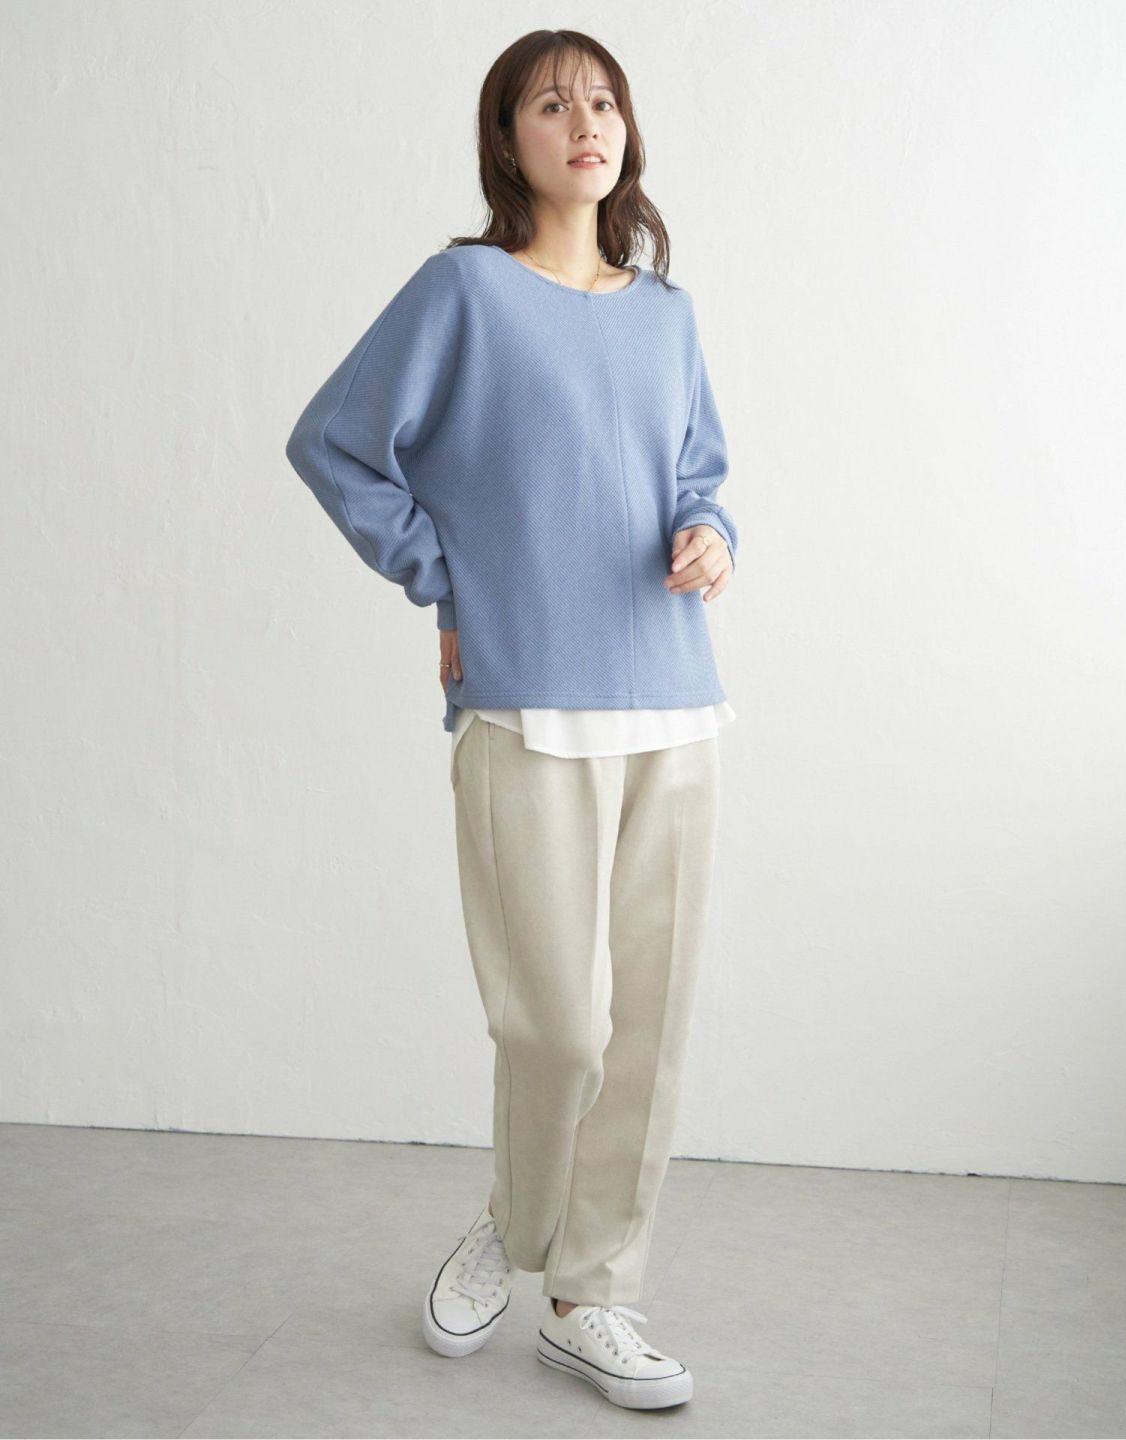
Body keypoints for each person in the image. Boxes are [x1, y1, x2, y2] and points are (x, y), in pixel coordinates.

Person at [285, 28, 738, 1412]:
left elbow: (699, 476)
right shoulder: (465, 291)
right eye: (551, 103)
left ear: (627, 133)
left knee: (649, 1032)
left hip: (674, 698)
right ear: (509, 139)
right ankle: (516, 1221)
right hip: (526, 696)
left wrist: (710, 533)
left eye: (603, 101)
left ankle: (594, 1295)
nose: (583, 121)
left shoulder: (667, 316)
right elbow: (334, 443)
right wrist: (445, 574)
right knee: (558, 1027)